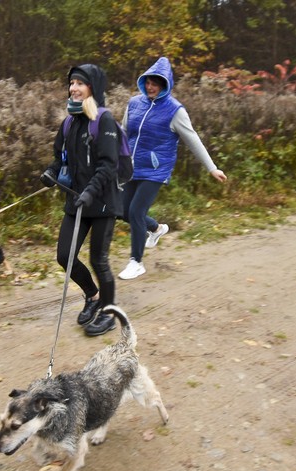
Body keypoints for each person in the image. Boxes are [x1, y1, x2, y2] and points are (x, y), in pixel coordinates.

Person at [118, 57, 227, 280]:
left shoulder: (175, 111)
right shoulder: (134, 104)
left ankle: (136, 262)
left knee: (136, 211)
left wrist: (211, 168)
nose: (151, 87)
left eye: (156, 84)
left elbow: (192, 139)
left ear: (165, 84)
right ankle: (156, 228)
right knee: (122, 211)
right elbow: (123, 132)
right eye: (148, 82)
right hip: (132, 167)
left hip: (156, 170)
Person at [39, 64, 123, 336]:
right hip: (76, 202)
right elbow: (58, 157)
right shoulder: (69, 122)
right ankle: (93, 296)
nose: (73, 88)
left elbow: (109, 165)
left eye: (80, 83)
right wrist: (50, 173)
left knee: (99, 260)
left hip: (101, 202)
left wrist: (90, 191)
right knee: (65, 256)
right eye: (71, 83)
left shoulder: (104, 120)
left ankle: (109, 313)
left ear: (92, 88)